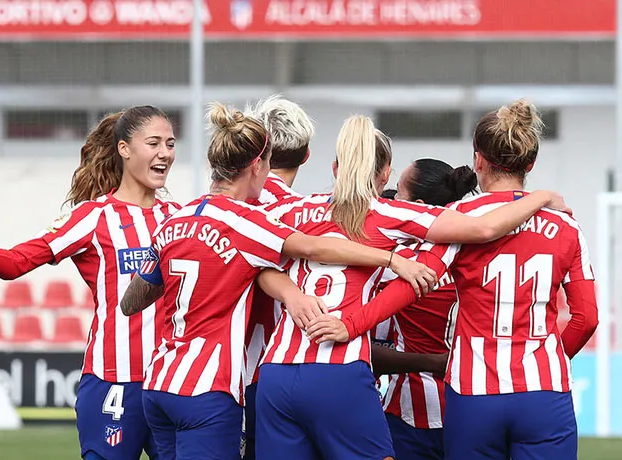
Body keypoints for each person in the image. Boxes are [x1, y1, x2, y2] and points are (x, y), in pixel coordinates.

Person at [119, 103, 439, 460]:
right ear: (257, 166)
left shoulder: (173, 221)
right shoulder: (250, 221)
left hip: (159, 384)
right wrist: (391, 258)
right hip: (209, 387)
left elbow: (131, 302)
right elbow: (317, 247)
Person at [256, 115, 570, 460]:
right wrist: (539, 196)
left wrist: (291, 293)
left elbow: (257, 266)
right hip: (340, 370)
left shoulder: (291, 209)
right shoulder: (393, 214)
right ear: (386, 173)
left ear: (334, 167)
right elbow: (483, 229)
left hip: (276, 371)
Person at [0, 106, 179, 460]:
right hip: (113, 379)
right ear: (125, 149)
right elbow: (17, 262)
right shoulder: (91, 218)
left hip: (171, 382)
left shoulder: (179, 217)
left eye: (171, 144)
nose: (165, 153)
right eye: (154, 143)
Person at [378, 159, 478, 460]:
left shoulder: (401, 263)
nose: (392, 197)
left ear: (418, 207)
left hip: (411, 411)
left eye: (400, 195)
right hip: (473, 406)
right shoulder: (476, 258)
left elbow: (365, 350)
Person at [243, 94, 316, 460]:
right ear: (306, 155)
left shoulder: (228, 206)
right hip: (287, 368)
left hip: (225, 372)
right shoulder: (309, 214)